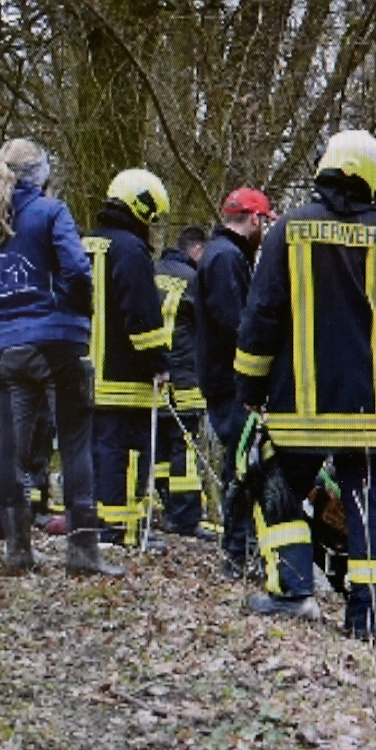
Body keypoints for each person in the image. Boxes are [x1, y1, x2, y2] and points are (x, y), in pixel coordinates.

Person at [234, 129, 376, 637]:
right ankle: (370, 620)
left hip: (297, 407)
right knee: (373, 506)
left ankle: (291, 592)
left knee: (278, 484)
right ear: (373, 176)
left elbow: (261, 315)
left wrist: (249, 389)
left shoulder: (287, 230)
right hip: (372, 411)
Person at [0, 137, 122, 576]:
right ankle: (83, 553)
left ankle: (18, 552)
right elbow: (78, 271)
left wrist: (7, 318)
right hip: (61, 340)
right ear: (41, 175)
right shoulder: (51, 212)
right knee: (76, 440)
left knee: (10, 446)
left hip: (10, 346)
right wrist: (76, 311)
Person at [82, 168, 172, 549]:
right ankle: (122, 532)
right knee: (128, 454)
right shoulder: (131, 250)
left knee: (96, 452)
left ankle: (95, 528)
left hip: (84, 372)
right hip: (123, 376)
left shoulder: (86, 243)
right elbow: (141, 315)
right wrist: (158, 361)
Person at [194, 188, 275, 578]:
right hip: (231, 383)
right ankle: (237, 555)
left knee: (242, 466)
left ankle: (241, 552)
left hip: (224, 380)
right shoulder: (227, 258)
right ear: (254, 220)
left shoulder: (220, 254)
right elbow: (235, 324)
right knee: (242, 468)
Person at [154, 225, 216, 541]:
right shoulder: (194, 280)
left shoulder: (151, 273)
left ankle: (166, 508)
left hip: (155, 375)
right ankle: (185, 517)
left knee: (161, 449)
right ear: (196, 250)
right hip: (186, 375)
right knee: (186, 446)